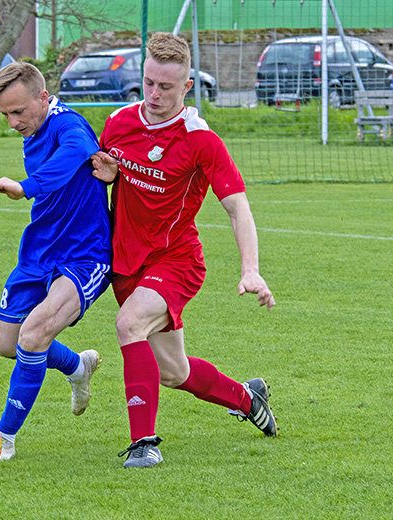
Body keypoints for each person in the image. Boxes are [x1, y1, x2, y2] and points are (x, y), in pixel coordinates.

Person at [91, 33, 277, 468]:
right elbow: (102, 179)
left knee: (129, 323)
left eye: (166, 87)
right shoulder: (119, 122)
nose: (154, 95)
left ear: (187, 86)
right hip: (127, 264)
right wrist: (110, 174)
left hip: (176, 261)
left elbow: (237, 207)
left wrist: (251, 269)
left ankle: (144, 445)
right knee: (174, 372)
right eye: (149, 82)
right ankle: (247, 399)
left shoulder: (200, 140)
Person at [0, 62, 112, 461]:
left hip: (83, 254)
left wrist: (25, 187)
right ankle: (77, 366)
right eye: (5, 114)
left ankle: (2, 438)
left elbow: (76, 152)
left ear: (43, 97)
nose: (12, 122)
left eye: (18, 111)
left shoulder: (67, 124)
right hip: (39, 251)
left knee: (34, 335)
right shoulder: (33, 129)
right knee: (7, 344)